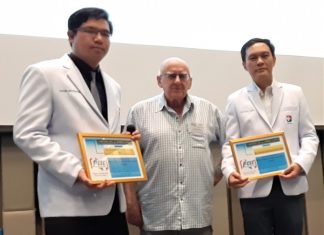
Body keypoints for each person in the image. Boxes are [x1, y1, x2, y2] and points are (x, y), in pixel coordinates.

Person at [13, 7, 137, 235]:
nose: (99, 38)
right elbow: (27, 134)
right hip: (68, 203)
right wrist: (75, 171)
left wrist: (124, 143)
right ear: (71, 36)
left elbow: (102, 136)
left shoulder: (113, 86)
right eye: (91, 31)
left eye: (106, 34)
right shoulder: (44, 73)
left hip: (112, 205)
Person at [221, 38, 319, 235]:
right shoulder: (235, 100)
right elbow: (229, 144)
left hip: (291, 184)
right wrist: (229, 172)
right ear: (244, 65)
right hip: (253, 188)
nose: (259, 61)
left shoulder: (295, 93)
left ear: (274, 59)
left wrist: (300, 164)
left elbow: (309, 135)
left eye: (265, 56)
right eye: (253, 58)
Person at [124, 57, 224, 235]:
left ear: (190, 82)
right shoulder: (139, 112)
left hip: (197, 214)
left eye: (182, 76)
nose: (177, 81)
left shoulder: (210, 111)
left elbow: (230, 148)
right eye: (171, 76)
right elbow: (128, 161)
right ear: (159, 81)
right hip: (156, 215)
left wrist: (216, 174)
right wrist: (131, 203)